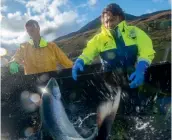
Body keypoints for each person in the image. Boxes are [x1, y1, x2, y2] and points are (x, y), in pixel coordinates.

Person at [72, 3, 155, 89]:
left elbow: (147, 50)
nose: (109, 24)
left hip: (133, 77)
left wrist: (141, 69)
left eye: (112, 20)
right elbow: (88, 52)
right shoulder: (98, 39)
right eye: (106, 22)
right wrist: (80, 61)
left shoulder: (135, 32)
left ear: (120, 18)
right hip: (110, 83)